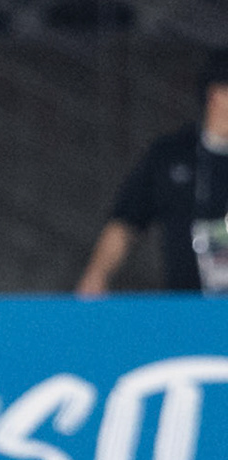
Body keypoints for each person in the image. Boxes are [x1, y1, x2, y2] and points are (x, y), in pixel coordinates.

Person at [77, 49, 228, 295]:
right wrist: (96, 276)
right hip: (185, 309)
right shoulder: (172, 153)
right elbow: (126, 221)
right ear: (215, 94)